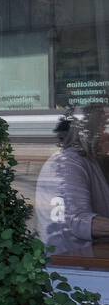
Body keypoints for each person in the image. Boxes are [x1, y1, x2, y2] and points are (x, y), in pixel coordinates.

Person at [35, 106, 109, 257]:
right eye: (104, 127)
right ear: (90, 133)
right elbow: (79, 222)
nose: (107, 133)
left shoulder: (91, 159)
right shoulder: (68, 163)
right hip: (71, 266)